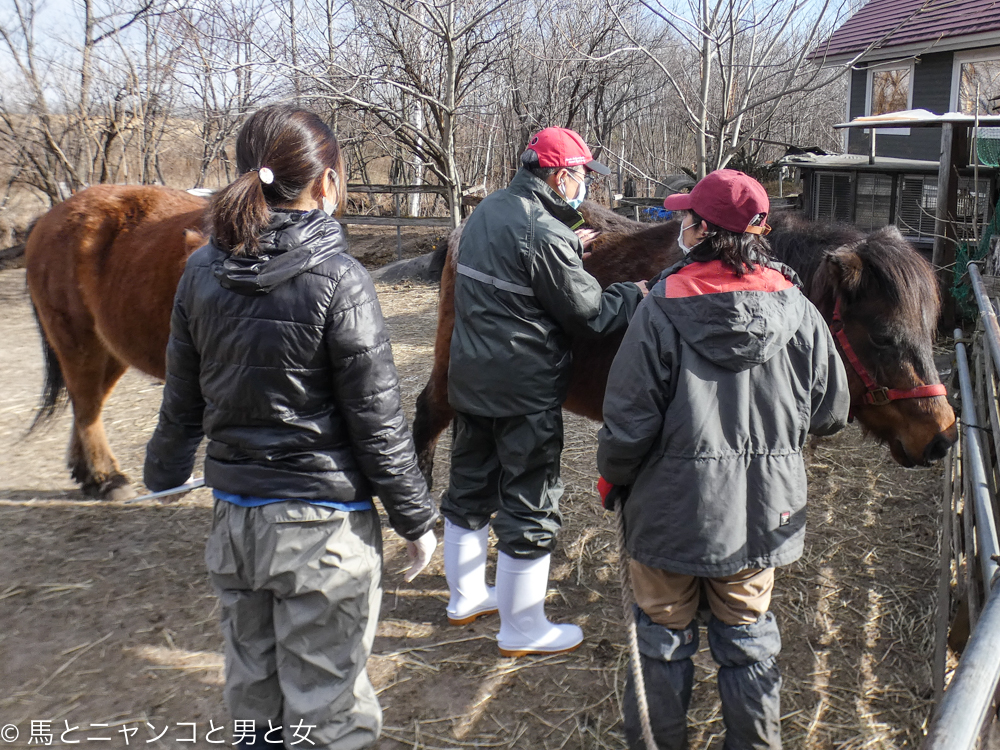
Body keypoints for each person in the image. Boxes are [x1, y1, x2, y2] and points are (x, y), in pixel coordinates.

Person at [143, 104, 439, 750]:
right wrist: (417, 521)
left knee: (252, 691)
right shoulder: (341, 281)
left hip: (236, 523)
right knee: (328, 708)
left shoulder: (202, 271)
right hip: (322, 530)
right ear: (327, 183)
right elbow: (378, 422)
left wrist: (163, 471)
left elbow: (182, 398)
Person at [596, 169, 851, 749]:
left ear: (701, 228)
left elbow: (629, 421)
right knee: (748, 639)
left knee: (662, 637)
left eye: (687, 218)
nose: (681, 225)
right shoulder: (799, 309)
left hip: (667, 512)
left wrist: (613, 477)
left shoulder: (660, 306)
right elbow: (833, 411)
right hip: (761, 515)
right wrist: (779, 439)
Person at [443, 127, 649, 657]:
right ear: (560, 175)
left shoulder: (487, 209)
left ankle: (465, 596)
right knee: (531, 500)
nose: (585, 186)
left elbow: (512, 267)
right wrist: (634, 292)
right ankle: (523, 626)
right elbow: (592, 315)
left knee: (469, 486)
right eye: (581, 175)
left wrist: (564, 250)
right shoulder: (544, 230)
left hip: (470, 377)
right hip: (524, 388)